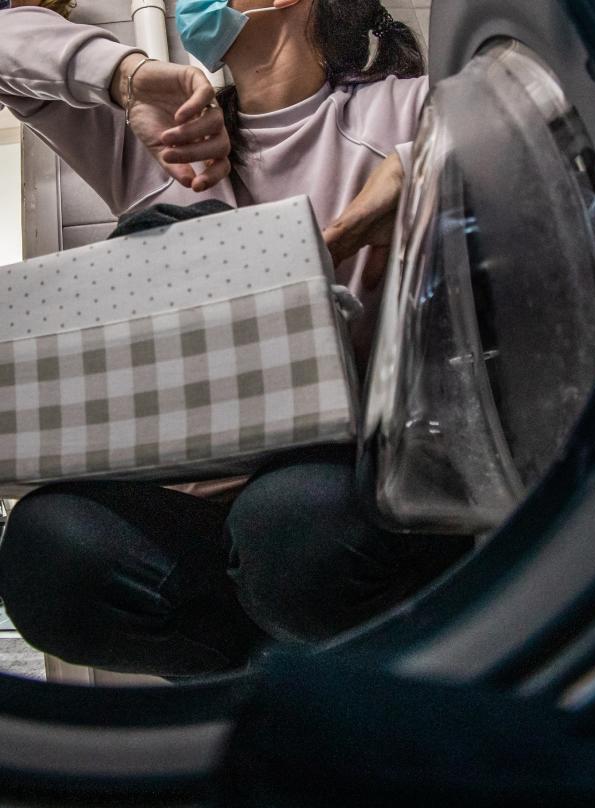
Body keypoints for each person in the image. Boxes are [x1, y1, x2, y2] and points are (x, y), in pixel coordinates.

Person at [0, 0, 474, 678]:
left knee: (288, 522)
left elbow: (528, 108)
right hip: (197, 527)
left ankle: (359, 699)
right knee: (50, 549)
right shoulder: (169, 139)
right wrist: (128, 78)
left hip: (343, 499)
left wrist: (419, 165)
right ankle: (254, 695)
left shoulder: (404, 111)